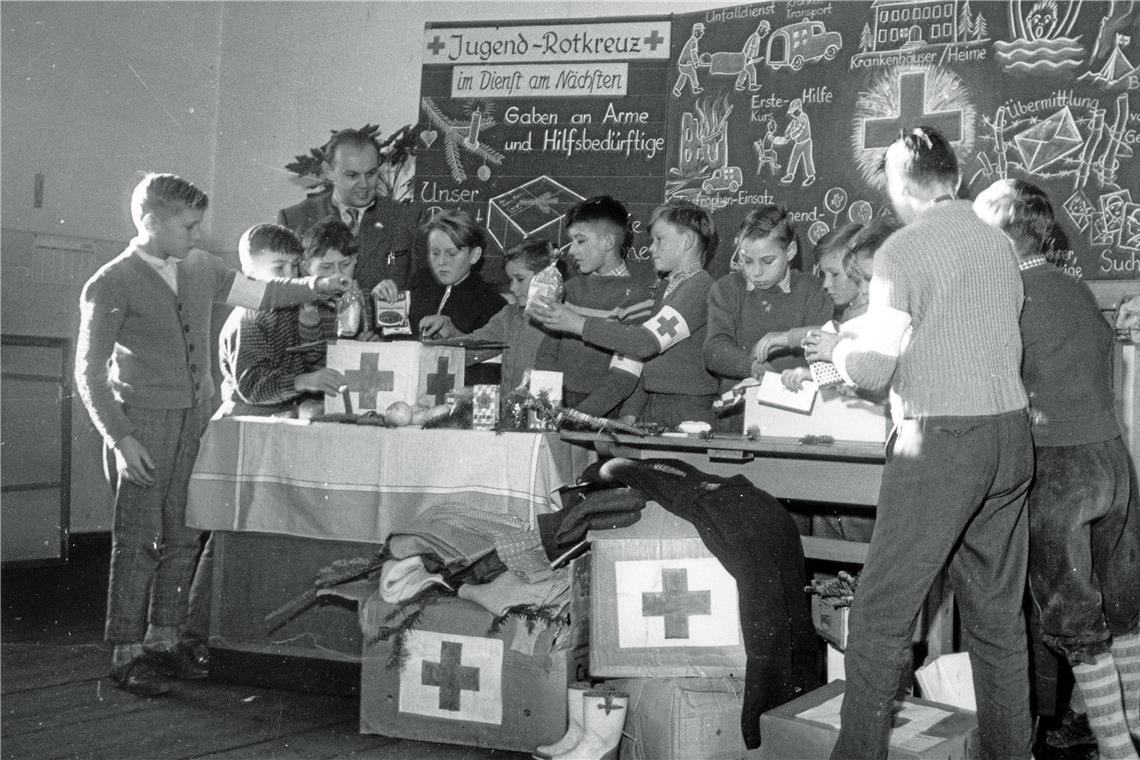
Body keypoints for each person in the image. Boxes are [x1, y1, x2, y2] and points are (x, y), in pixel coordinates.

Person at [803, 128, 1034, 760]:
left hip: (941, 441)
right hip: (1010, 439)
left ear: (900, 185)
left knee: (879, 619)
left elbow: (874, 370)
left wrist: (838, 351)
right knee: (996, 622)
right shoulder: (998, 244)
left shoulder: (902, 250)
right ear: (953, 177)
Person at [74, 173, 349, 697]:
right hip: (141, 425)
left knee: (183, 532)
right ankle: (126, 651)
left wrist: (314, 286)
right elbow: (87, 373)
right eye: (189, 225)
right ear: (149, 222)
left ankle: (165, 639)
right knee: (137, 542)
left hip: (196, 419)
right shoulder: (111, 281)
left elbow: (263, 291)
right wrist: (120, 438)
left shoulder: (201, 267)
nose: (198, 235)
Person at [975, 178, 1140, 760]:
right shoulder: (1075, 289)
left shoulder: (1007, 297)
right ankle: (1134, 728)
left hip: (1059, 468)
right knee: (1120, 603)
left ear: (998, 236)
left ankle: (1120, 752)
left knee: (1073, 616)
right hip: (1113, 462)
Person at [530, 200, 720, 427]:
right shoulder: (667, 287)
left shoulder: (700, 288)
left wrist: (578, 324)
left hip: (686, 411)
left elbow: (644, 342)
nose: (651, 248)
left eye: (659, 239)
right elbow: (641, 360)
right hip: (658, 406)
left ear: (686, 241)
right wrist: (631, 411)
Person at [534, 196, 655, 417]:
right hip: (557, 408)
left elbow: (624, 376)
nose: (571, 251)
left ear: (607, 242)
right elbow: (548, 351)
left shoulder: (636, 297)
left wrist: (579, 416)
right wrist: (548, 402)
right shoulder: (569, 288)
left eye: (580, 241)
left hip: (599, 416)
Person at [215, 224, 346, 418]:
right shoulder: (249, 315)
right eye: (279, 268)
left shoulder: (298, 306)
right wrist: (304, 381)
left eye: (294, 266)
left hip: (288, 414)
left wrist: (309, 326)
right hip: (247, 418)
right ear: (249, 273)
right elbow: (251, 386)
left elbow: (315, 365)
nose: (290, 276)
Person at [277, 127, 420, 296]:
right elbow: (284, 292)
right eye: (352, 175)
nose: (364, 184)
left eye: (371, 173)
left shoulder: (404, 217)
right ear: (329, 171)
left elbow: (419, 286)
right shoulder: (294, 219)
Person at [706, 205, 833, 391]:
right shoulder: (726, 289)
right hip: (737, 411)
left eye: (767, 261)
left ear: (790, 251)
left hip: (796, 405)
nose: (756, 272)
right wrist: (749, 366)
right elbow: (714, 350)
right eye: (747, 261)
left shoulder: (814, 290)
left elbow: (825, 342)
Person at [426, 237, 555, 399]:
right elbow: (476, 347)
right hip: (511, 413)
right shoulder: (509, 315)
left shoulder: (567, 319)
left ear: (548, 277)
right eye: (510, 280)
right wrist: (449, 332)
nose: (513, 287)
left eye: (520, 279)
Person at [373, 209, 504, 339]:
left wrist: (455, 334)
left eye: (451, 254)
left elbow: (488, 353)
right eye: (435, 253)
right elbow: (393, 333)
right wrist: (381, 303)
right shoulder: (419, 281)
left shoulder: (491, 304)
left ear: (474, 255)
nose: (441, 262)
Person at [297, 218, 378, 341]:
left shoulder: (366, 297)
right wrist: (310, 311)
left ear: (355, 259)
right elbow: (310, 356)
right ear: (306, 267)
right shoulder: (301, 305)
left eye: (345, 264)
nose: (337, 273)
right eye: (326, 266)